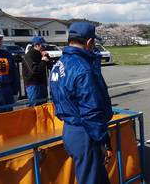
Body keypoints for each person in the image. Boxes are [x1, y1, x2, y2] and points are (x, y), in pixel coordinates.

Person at [50, 22, 113, 184]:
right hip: (86, 131)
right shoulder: (83, 68)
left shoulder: (58, 64)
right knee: (91, 179)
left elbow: (56, 98)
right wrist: (103, 139)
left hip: (70, 128)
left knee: (97, 177)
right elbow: (91, 109)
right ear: (89, 42)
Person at [0, 24, 20, 113]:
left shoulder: (7, 55)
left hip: (6, 92)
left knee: (8, 119)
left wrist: (15, 92)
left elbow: (14, 75)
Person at [22, 36, 50, 106]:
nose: (44, 47)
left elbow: (50, 66)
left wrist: (47, 57)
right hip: (33, 84)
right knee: (34, 106)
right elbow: (33, 71)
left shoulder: (41, 54)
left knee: (44, 106)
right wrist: (43, 61)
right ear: (36, 45)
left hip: (42, 83)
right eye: (42, 46)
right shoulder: (28, 55)